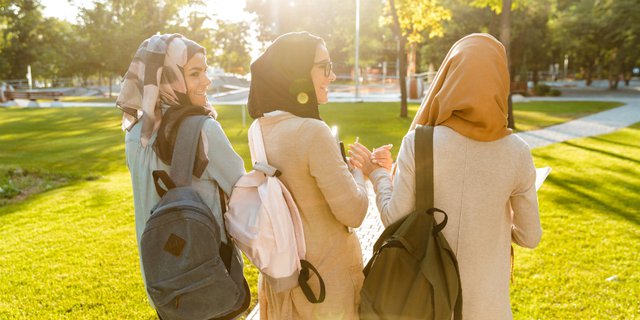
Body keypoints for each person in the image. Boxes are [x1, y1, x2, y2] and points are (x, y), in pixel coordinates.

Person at [349, 33, 542, 319]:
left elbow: (394, 218)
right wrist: (493, 224)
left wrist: (379, 175)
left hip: (425, 303)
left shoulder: (420, 142)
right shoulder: (517, 152)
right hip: (490, 309)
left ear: (448, 76)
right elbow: (530, 236)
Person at [116, 34, 246, 311]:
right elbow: (243, 192)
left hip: (161, 278)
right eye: (195, 73)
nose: (207, 81)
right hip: (207, 275)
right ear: (167, 77)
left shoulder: (134, 135)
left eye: (205, 71)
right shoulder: (204, 129)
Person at [248, 31, 369, 319]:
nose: (333, 75)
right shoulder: (312, 132)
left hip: (283, 280)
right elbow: (354, 212)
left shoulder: (259, 129)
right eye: (324, 67)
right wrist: (359, 173)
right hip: (323, 289)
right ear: (297, 71)